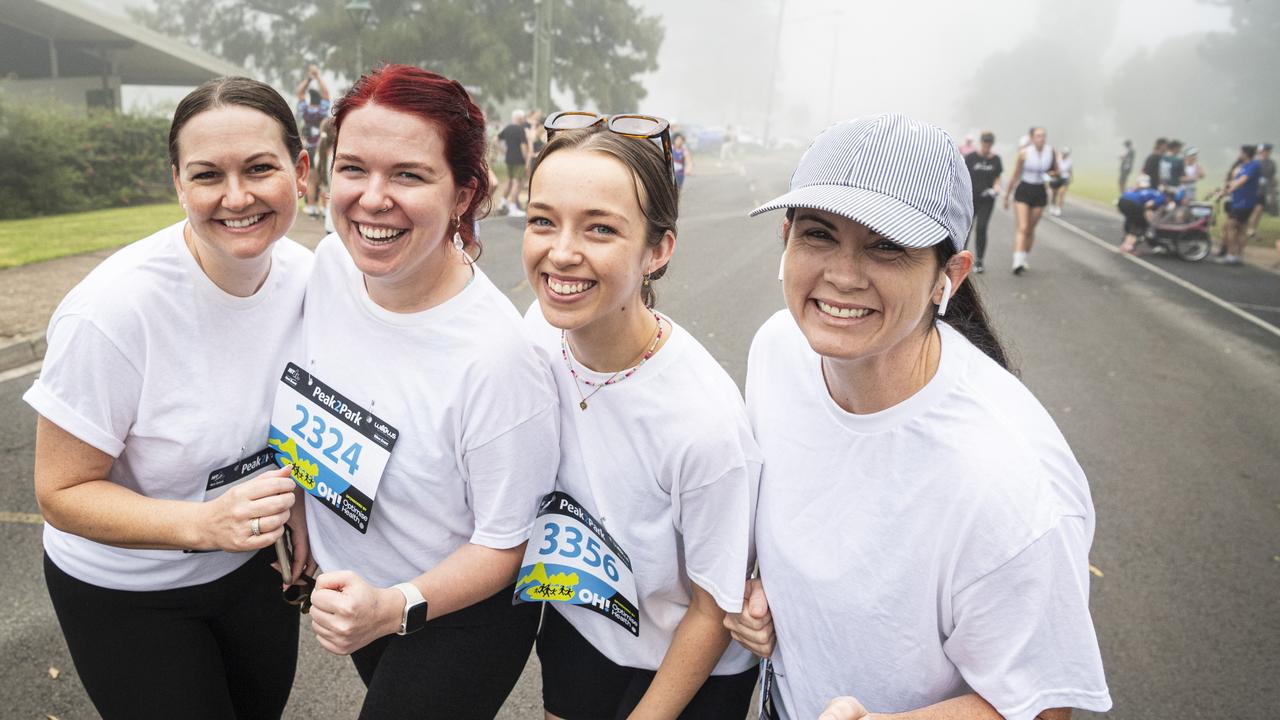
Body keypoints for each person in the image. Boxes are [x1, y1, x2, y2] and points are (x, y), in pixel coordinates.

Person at [726, 113, 1111, 720]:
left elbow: (1036, 707)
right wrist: (768, 591)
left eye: (886, 246)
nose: (843, 275)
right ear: (786, 239)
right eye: (819, 235)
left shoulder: (1009, 483)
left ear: (948, 277)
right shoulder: (779, 348)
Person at [25, 76, 314, 719]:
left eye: (260, 168)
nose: (236, 197)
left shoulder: (313, 279)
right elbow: (61, 492)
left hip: (250, 571)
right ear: (177, 184)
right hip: (127, 590)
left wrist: (303, 500)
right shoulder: (112, 312)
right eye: (208, 175)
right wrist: (203, 526)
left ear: (300, 170)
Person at [292, 64, 559, 719]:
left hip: (457, 615)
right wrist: (301, 515)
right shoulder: (329, 266)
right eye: (353, 168)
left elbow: (505, 543)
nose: (372, 198)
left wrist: (394, 606)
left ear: (463, 195)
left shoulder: (498, 359)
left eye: (408, 175)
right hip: (356, 592)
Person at [521, 112, 760, 719]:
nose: (561, 253)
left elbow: (714, 609)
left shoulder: (703, 424)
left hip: (689, 661)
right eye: (543, 221)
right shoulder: (537, 333)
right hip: (582, 623)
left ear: (658, 249)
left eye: (600, 229)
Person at [1003, 126, 1056, 274]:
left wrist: (1053, 174)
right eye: (1038, 136)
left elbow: (1056, 170)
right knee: (1023, 227)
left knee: (1031, 229)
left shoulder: (1050, 152)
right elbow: (1015, 174)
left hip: (1039, 191)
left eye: (1044, 136)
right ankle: (1017, 261)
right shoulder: (1024, 153)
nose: (1041, 138)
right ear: (1032, 138)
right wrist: (1007, 196)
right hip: (1024, 189)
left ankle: (1024, 256)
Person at [295, 63, 332, 218]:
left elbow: (299, 93)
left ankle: (311, 208)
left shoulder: (305, 110)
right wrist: (317, 76)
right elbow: (326, 92)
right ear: (320, 100)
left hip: (309, 147)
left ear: (310, 99)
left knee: (311, 181)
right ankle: (323, 208)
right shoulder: (323, 110)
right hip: (322, 147)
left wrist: (309, 79)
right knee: (324, 180)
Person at [964, 131, 1002, 272]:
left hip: (987, 199)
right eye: (985, 143)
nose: (987, 145)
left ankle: (979, 261)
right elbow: (964, 175)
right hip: (971, 199)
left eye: (989, 143)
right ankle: (961, 258)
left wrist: (996, 189)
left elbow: (997, 177)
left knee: (981, 228)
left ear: (992, 144)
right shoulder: (971, 157)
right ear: (981, 142)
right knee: (966, 229)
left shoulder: (996, 159)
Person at [1218, 144, 1262, 265]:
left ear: (1246, 154)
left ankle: (1232, 255)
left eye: (1241, 152)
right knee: (1241, 228)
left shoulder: (1253, 166)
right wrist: (1222, 190)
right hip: (1238, 201)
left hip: (1244, 202)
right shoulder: (1243, 166)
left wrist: (1228, 191)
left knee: (1231, 226)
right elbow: (1234, 181)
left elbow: (1242, 181)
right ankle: (1238, 255)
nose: (1239, 155)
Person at [1117, 183, 1171, 254]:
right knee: (1141, 225)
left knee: (1132, 223)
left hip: (1122, 200)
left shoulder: (1152, 191)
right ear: (1168, 197)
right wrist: (1148, 220)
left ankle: (1124, 244)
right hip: (1133, 203)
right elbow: (1148, 204)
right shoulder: (1161, 197)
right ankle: (1129, 247)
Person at [498, 110, 530, 216]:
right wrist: (526, 161)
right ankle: (512, 208)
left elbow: (495, 139)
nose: (524, 119)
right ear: (519, 118)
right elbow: (523, 146)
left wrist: (503, 151)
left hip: (509, 158)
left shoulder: (507, 128)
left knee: (510, 181)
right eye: (522, 117)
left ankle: (502, 202)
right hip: (519, 159)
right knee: (516, 183)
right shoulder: (520, 130)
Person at [1246, 142, 1275, 239]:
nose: (1266, 153)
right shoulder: (1254, 162)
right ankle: (1246, 228)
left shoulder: (1271, 163)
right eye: (1264, 151)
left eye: (1268, 151)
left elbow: (1271, 177)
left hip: (1263, 190)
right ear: (1259, 152)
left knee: (1258, 210)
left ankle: (1252, 230)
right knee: (1250, 211)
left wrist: (1271, 191)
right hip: (1251, 190)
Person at [1049, 146, 1073, 216]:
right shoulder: (1057, 159)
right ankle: (1053, 205)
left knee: (1061, 194)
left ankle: (1058, 208)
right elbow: (1053, 168)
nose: (1065, 155)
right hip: (1056, 178)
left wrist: (1071, 177)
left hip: (1065, 179)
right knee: (1054, 194)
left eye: (1066, 154)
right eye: (1064, 153)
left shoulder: (1070, 161)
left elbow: (1070, 170)